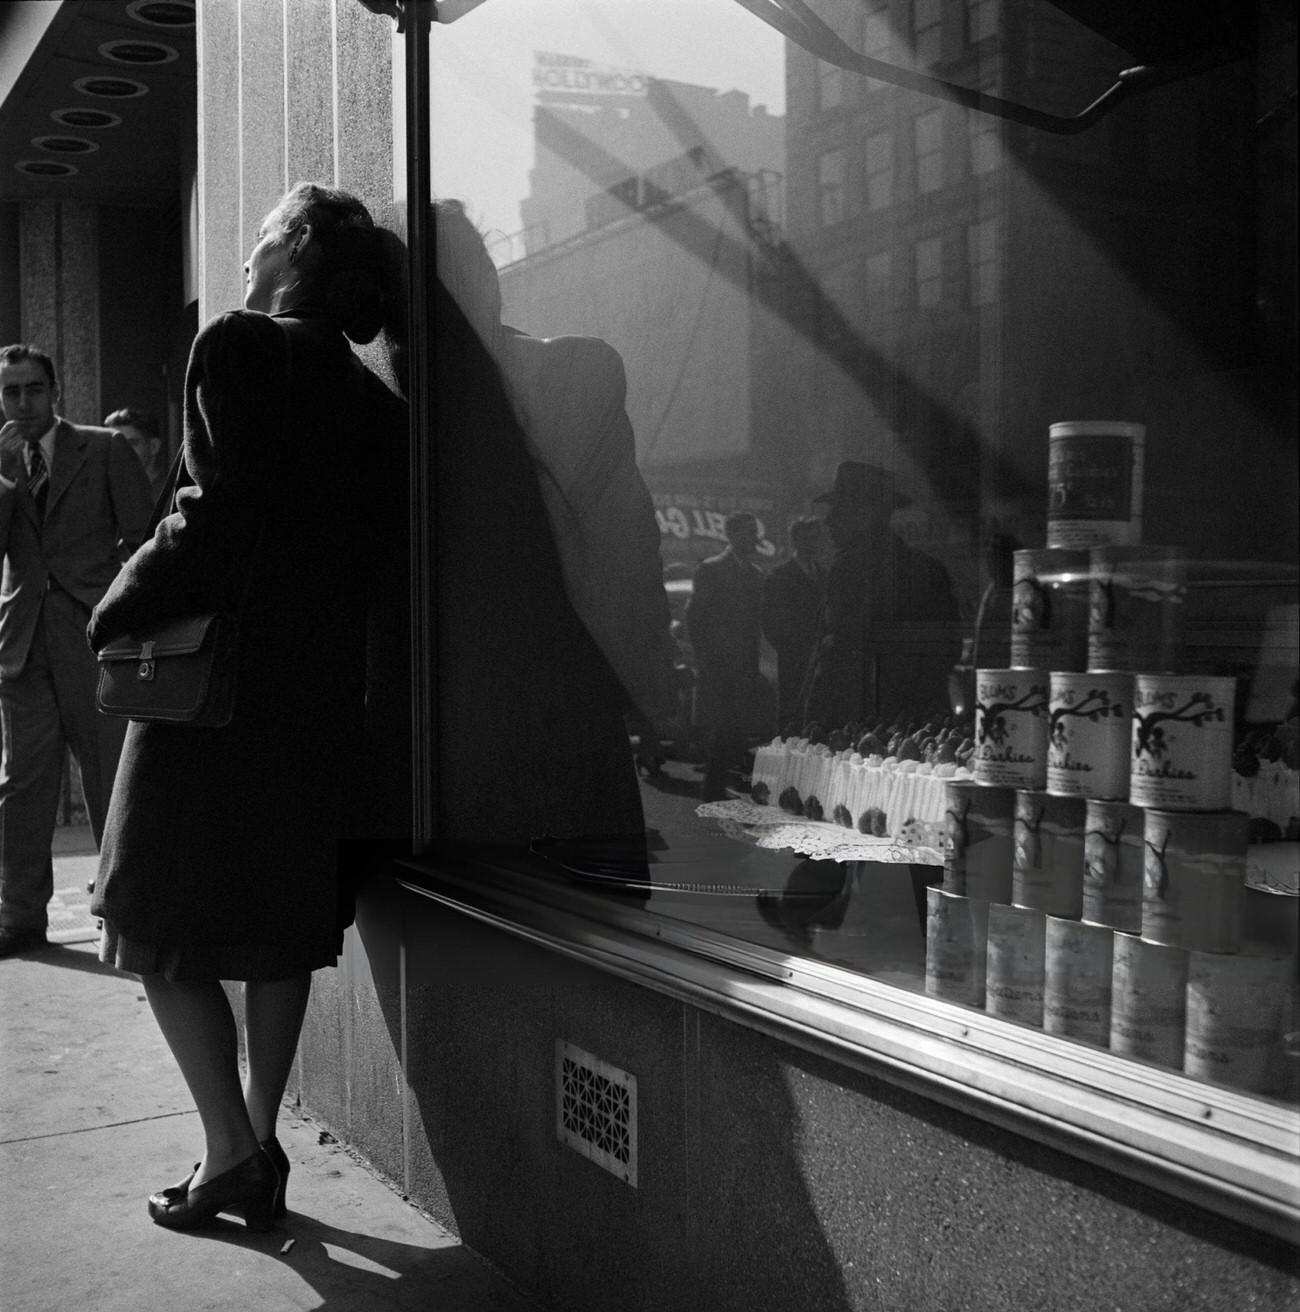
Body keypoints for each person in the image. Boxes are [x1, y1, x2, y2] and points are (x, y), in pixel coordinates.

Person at [86, 181, 408, 1231]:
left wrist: (118, 603)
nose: (244, 253)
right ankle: (259, 1142)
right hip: (314, 703)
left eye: (263, 232)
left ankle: (229, 1151)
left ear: (298, 247)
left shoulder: (237, 345)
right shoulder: (377, 403)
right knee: (277, 927)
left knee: (140, 914)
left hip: (209, 695)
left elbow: (204, 513)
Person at [429, 199, 678, 845]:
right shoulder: (404, 398)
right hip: (499, 723)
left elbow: (628, 544)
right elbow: (629, 545)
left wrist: (650, 687)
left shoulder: (571, 372)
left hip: (525, 713)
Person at [0, 345, 153, 959]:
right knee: (21, 785)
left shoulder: (105, 448)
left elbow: (145, 539)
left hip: (94, 638)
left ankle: (122, 911)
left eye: (33, 389)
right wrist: (6, 480)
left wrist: (111, 604)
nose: (22, 403)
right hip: (22, 645)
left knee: (109, 777)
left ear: (55, 392)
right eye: (10, 392)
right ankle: (17, 916)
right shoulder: (2, 466)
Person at [805, 460, 957, 729]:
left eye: (838, 511)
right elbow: (946, 652)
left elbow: (839, 656)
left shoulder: (848, 571)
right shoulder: (929, 569)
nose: (828, 520)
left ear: (865, 514)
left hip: (855, 726)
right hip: (917, 726)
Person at [686, 511, 775, 801]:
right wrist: (706, 662)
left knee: (737, 730)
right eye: (748, 533)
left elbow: (756, 626)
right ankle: (712, 790)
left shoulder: (756, 574)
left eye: (755, 532)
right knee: (724, 729)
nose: (754, 539)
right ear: (733, 535)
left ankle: (718, 786)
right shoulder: (711, 569)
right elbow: (695, 619)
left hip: (744, 667)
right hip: (719, 666)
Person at [762, 516, 826, 733]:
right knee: (791, 708)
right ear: (795, 541)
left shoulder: (823, 574)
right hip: (793, 655)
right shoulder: (780, 576)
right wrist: (789, 646)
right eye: (807, 539)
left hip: (819, 654)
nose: (812, 545)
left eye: (815, 539)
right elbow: (769, 619)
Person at [104, 407, 168, 504]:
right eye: (114, 445)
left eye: (131, 444)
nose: (121, 451)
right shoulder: (105, 494)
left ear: (153, 447)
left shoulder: (171, 494)